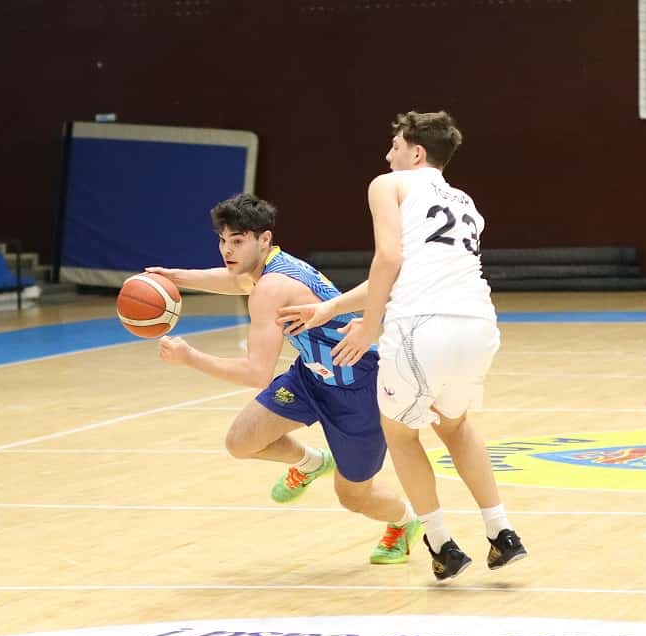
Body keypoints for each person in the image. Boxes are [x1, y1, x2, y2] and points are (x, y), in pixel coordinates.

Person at [278, 111, 526, 581]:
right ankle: (502, 531)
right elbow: (409, 272)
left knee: (400, 433)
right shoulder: (465, 201)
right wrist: (332, 309)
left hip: (420, 327)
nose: (387, 155)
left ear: (416, 153)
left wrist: (369, 328)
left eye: (394, 147)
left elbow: (388, 260)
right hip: (478, 325)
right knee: (455, 426)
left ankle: (441, 544)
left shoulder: (388, 185)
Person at [149, 192, 421, 565]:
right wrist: (173, 277)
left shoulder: (271, 287)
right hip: (311, 377)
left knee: (354, 497)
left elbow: (257, 373)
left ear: (264, 239)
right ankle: (312, 462)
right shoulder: (270, 267)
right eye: (223, 241)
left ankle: (405, 522)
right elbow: (236, 282)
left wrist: (189, 357)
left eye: (237, 241)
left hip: (358, 387)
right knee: (241, 441)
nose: (227, 250)